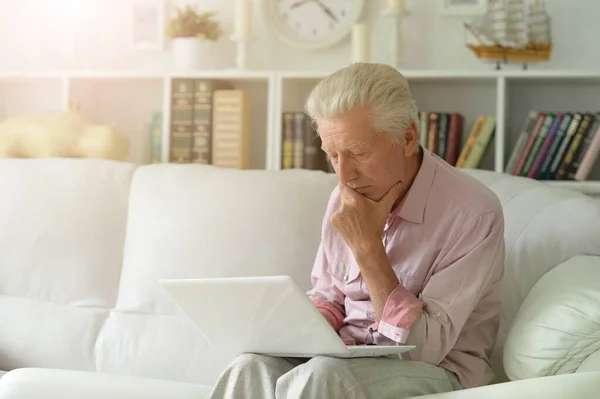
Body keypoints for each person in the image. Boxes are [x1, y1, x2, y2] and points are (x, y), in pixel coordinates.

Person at [207, 63, 505, 399]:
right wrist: (294, 330)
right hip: (348, 353)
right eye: (333, 156)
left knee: (325, 376)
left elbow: (423, 348)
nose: (345, 175)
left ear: (407, 137)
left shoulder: (473, 214)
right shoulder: (344, 196)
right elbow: (329, 296)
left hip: (438, 372)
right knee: (250, 364)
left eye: (358, 153)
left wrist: (367, 248)